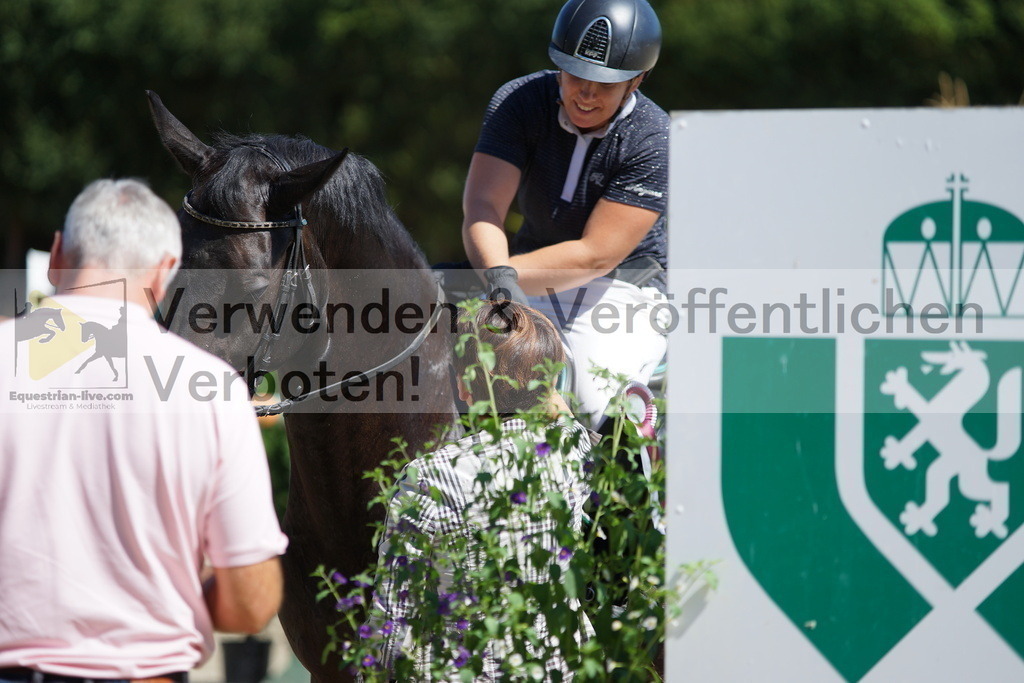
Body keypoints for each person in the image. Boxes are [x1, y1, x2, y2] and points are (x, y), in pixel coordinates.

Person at [0, 179, 288, 682]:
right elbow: (254, 601)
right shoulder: (213, 391)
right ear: (166, 272)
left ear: (57, 254)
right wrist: (166, 600)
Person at [461, 0, 669, 430]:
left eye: (604, 84)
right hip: (525, 276)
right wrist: (497, 278)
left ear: (637, 80)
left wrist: (502, 277)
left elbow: (596, 255)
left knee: (595, 402)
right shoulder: (518, 101)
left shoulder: (655, 138)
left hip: (621, 287)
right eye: (577, 75)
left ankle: (634, 468)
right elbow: (483, 206)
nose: (587, 93)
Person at [371, 301, 595, 680]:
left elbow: (394, 626)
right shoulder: (575, 448)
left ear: (462, 384)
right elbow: (562, 415)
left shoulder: (428, 478)